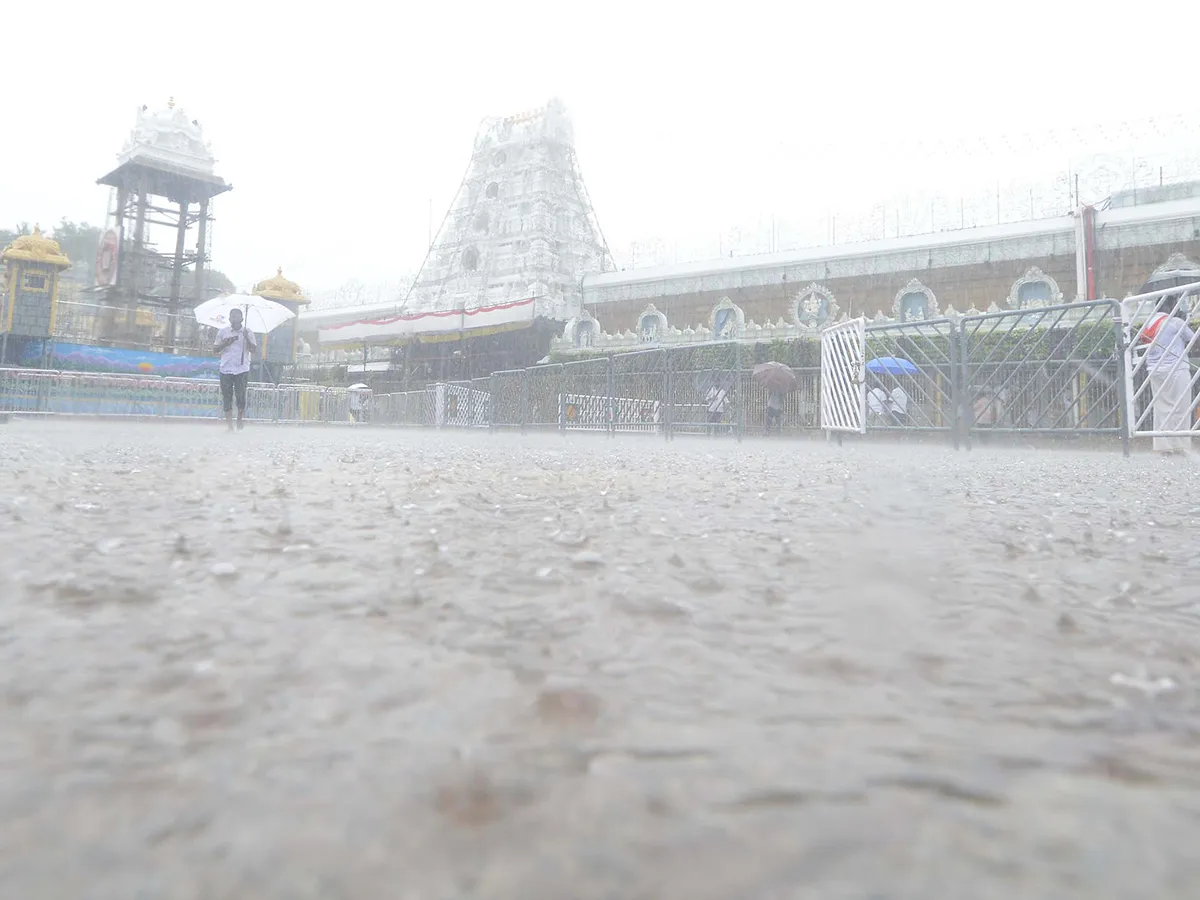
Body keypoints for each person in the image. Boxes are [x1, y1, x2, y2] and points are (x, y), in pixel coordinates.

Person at [1143, 295, 1196, 454]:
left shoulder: (1149, 323)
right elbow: (1194, 339)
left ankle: (1163, 446)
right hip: (1176, 369)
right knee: (1181, 407)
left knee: (1162, 408)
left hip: (1155, 370)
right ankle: (1179, 444)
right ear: (1170, 306)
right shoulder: (1175, 322)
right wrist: (1184, 320)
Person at [213, 308, 257, 432]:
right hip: (226, 368)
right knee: (227, 397)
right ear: (229, 319)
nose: (234, 319)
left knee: (241, 396)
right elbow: (215, 349)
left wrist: (246, 338)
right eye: (232, 317)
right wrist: (225, 344)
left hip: (242, 369)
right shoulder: (223, 332)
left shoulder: (248, 332)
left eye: (237, 317)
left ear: (242, 319)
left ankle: (239, 418)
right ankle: (229, 426)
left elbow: (253, 350)